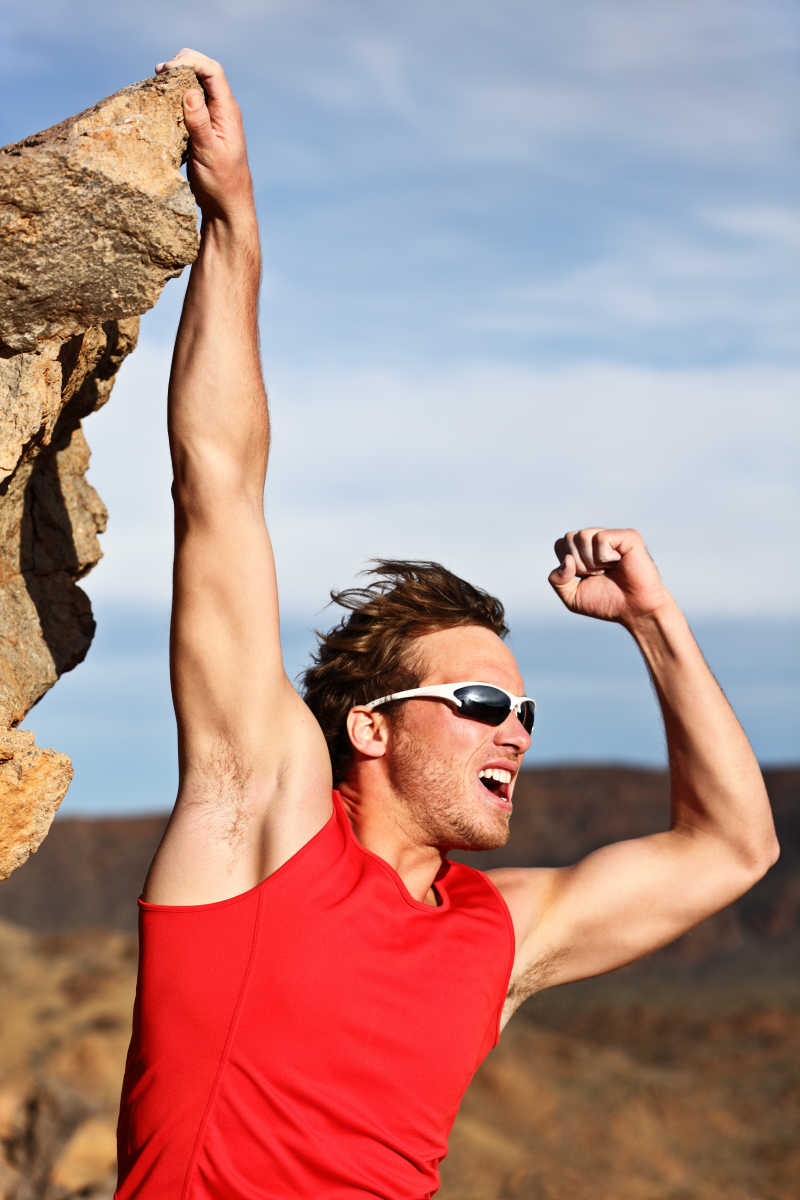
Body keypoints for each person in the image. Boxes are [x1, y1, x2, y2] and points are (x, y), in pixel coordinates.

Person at [114, 48, 779, 1200]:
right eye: (476, 705)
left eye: (519, 710)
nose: (512, 731)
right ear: (368, 730)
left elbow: (733, 849)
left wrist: (656, 623)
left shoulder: (495, 935)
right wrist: (235, 225)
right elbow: (216, 480)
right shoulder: (256, 818)